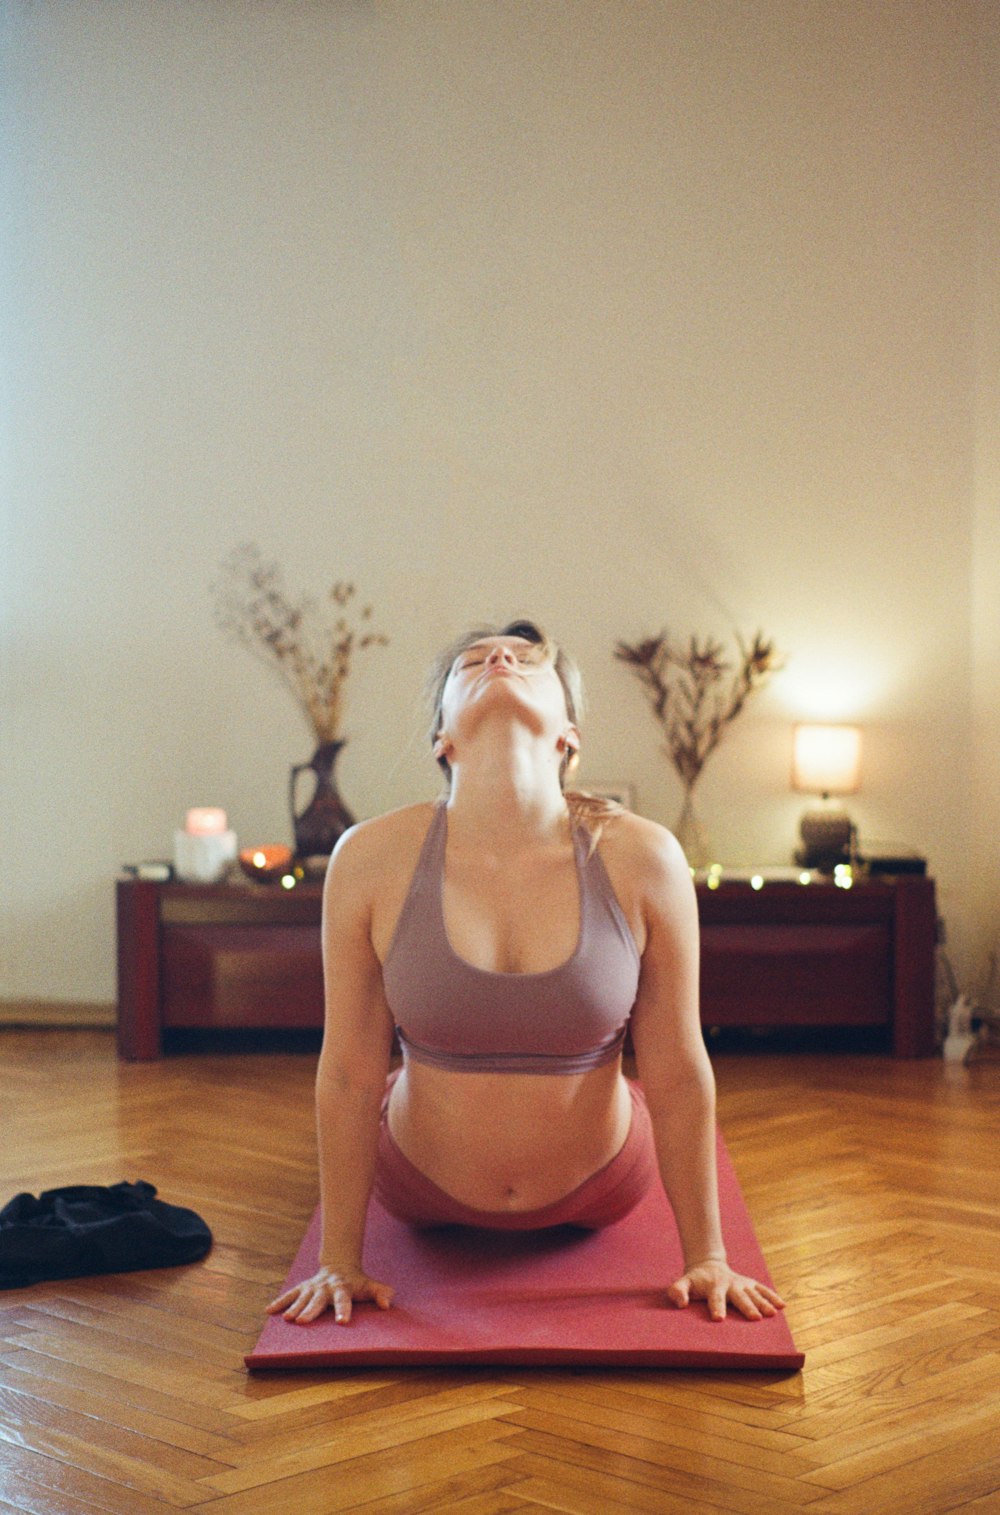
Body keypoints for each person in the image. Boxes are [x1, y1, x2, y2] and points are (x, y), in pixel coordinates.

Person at [267, 620, 785, 1328]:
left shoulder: (645, 857)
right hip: (414, 1185)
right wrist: (338, 1261)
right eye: (473, 660)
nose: (501, 657)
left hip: (603, 1187)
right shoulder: (370, 857)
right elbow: (351, 1071)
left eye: (525, 658)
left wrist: (709, 1256)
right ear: (442, 739)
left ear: (569, 737)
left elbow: (676, 1067)